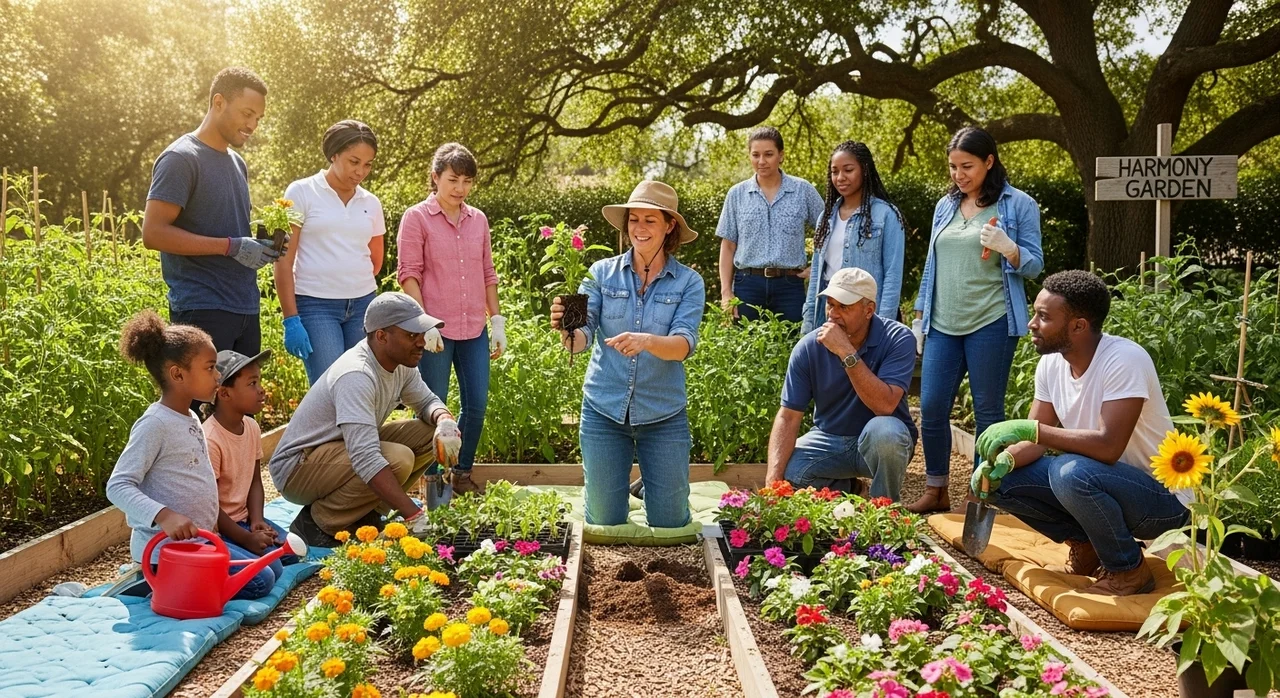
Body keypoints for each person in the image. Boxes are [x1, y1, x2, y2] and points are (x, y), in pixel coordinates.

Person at [972, 270, 1190, 596]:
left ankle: (1129, 570)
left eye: (1044, 317)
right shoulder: (1052, 363)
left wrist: (1033, 430)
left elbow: (1108, 446)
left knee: (1069, 473)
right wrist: (999, 462)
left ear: (1078, 325)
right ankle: (1087, 545)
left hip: (1163, 502)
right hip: (1107, 488)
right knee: (1001, 482)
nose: (1032, 323)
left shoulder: (1124, 359)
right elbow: (1031, 445)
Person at [550, 181, 704, 528]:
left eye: (650, 220)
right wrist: (565, 329)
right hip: (605, 410)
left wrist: (647, 341)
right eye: (634, 219)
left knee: (670, 522)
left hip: (663, 413)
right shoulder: (600, 273)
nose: (640, 228)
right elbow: (581, 338)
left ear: (670, 226)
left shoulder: (688, 282)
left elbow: (683, 345)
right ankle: (633, 485)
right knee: (605, 519)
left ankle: (654, 485)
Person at [907, 126, 1044, 515]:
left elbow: (1034, 265)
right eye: (952, 167)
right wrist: (920, 316)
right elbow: (933, 264)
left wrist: (1009, 248)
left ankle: (981, 492)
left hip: (992, 321)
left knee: (987, 412)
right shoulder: (945, 206)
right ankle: (937, 488)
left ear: (989, 161)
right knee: (932, 408)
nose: (958, 174)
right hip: (942, 324)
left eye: (966, 166)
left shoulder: (1017, 205)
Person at [268, 292, 463, 548]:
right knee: (397, 459)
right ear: (382, 336)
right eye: (411, 335)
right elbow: (365, 456)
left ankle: (367, 514)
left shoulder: (402, 365)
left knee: (430, 433)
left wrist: (445, 421)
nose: (421, 343)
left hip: (336, 453)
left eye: (421, 335)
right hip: (297, 467)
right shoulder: (357, 374)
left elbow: (427, 403)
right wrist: (414, 515)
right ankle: (318, 522)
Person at [106, 311, 275, 600]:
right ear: (178, 374)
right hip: (166, 550)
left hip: (203, 541)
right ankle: (145, 581)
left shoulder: (191, 418)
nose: (218, 375)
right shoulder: (155, 423)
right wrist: (165, 515)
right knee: (261, 581)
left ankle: (170, 584)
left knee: (273, 566)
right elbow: (118, 486)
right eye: (210, 368)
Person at [141, 67, 278, 359]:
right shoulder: (180, 159)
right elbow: (153, 234)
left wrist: (261, 248)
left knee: (240, 405)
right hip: (201, 310)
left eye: (258, 118)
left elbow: (227, 229)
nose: (252, 125)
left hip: (245, 306)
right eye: (247, 113)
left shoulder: (237, 163)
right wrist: (231, 247)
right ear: (218, 103)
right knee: (200, 404)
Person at [397, 143, 504, 495]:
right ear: (435, 177)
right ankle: (429, 481)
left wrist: (497, 320)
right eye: (453, 179)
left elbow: (488, 273)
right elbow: (408, 274)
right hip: (435, 333)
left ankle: (460, 472)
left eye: (467, 181)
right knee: (432, 406)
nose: (460, 188)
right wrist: (423, 322)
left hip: (474, 328)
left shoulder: (479, 220)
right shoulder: (417, 218)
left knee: (477, 405)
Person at [767, 267, 917, 501]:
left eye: (844, 307)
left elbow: (885, 406)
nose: (833, 314)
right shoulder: (809, 347)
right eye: (830, 304)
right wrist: (773, 484)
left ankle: (885, 511)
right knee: (792, 473)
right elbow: (788, 416)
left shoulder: (898, 338)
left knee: (887, 433)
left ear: (869, 310)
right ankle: (851, 488)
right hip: (830, 438)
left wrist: (845, 351)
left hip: (880, 442)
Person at [276, 120, 387, 384]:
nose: (361, 171)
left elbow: (376, 261)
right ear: (333, 154)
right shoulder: (301, 192)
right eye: (354, 161)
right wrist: (291, 319)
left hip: (362, 306)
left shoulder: (371, 203)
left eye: (368, 164)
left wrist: (348, 279)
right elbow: (283, 260)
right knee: (330, 389)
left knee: (362, 386)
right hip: (316, 307)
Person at [203, 349, 299, 584]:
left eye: (259, 381)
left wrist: (257, 520)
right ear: (224, 393)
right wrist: (246, 539)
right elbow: (210, 506)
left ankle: (246, 553)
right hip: (219, 529)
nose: (261, 390)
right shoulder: (210, 439)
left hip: (244, 519)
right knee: (266, 577)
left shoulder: (251, 427)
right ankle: (212, 566)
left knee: (293, 551)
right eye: (252, 383)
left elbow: (255, 480)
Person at [716, 126, 825, 323]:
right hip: (747, 285)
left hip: (790, 286)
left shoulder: (803, 190)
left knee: (792, 347)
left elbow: (828, 231)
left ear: (781, 155)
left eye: (768, 154)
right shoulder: (736, 194)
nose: (761, 161)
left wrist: (815, 269)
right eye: (755, 155)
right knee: (746, 347)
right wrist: (726, 292)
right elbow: (728, 245)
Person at [802, 141, 907, 333]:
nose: (840, 177)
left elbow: (892, 275)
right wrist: (809, 321)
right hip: (828, 307)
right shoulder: (825, 218)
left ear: (864, 170)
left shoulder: (886, 215)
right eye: (835, 172)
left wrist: (883, 326)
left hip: (862, 309)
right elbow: (816, 272)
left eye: (848, 170)